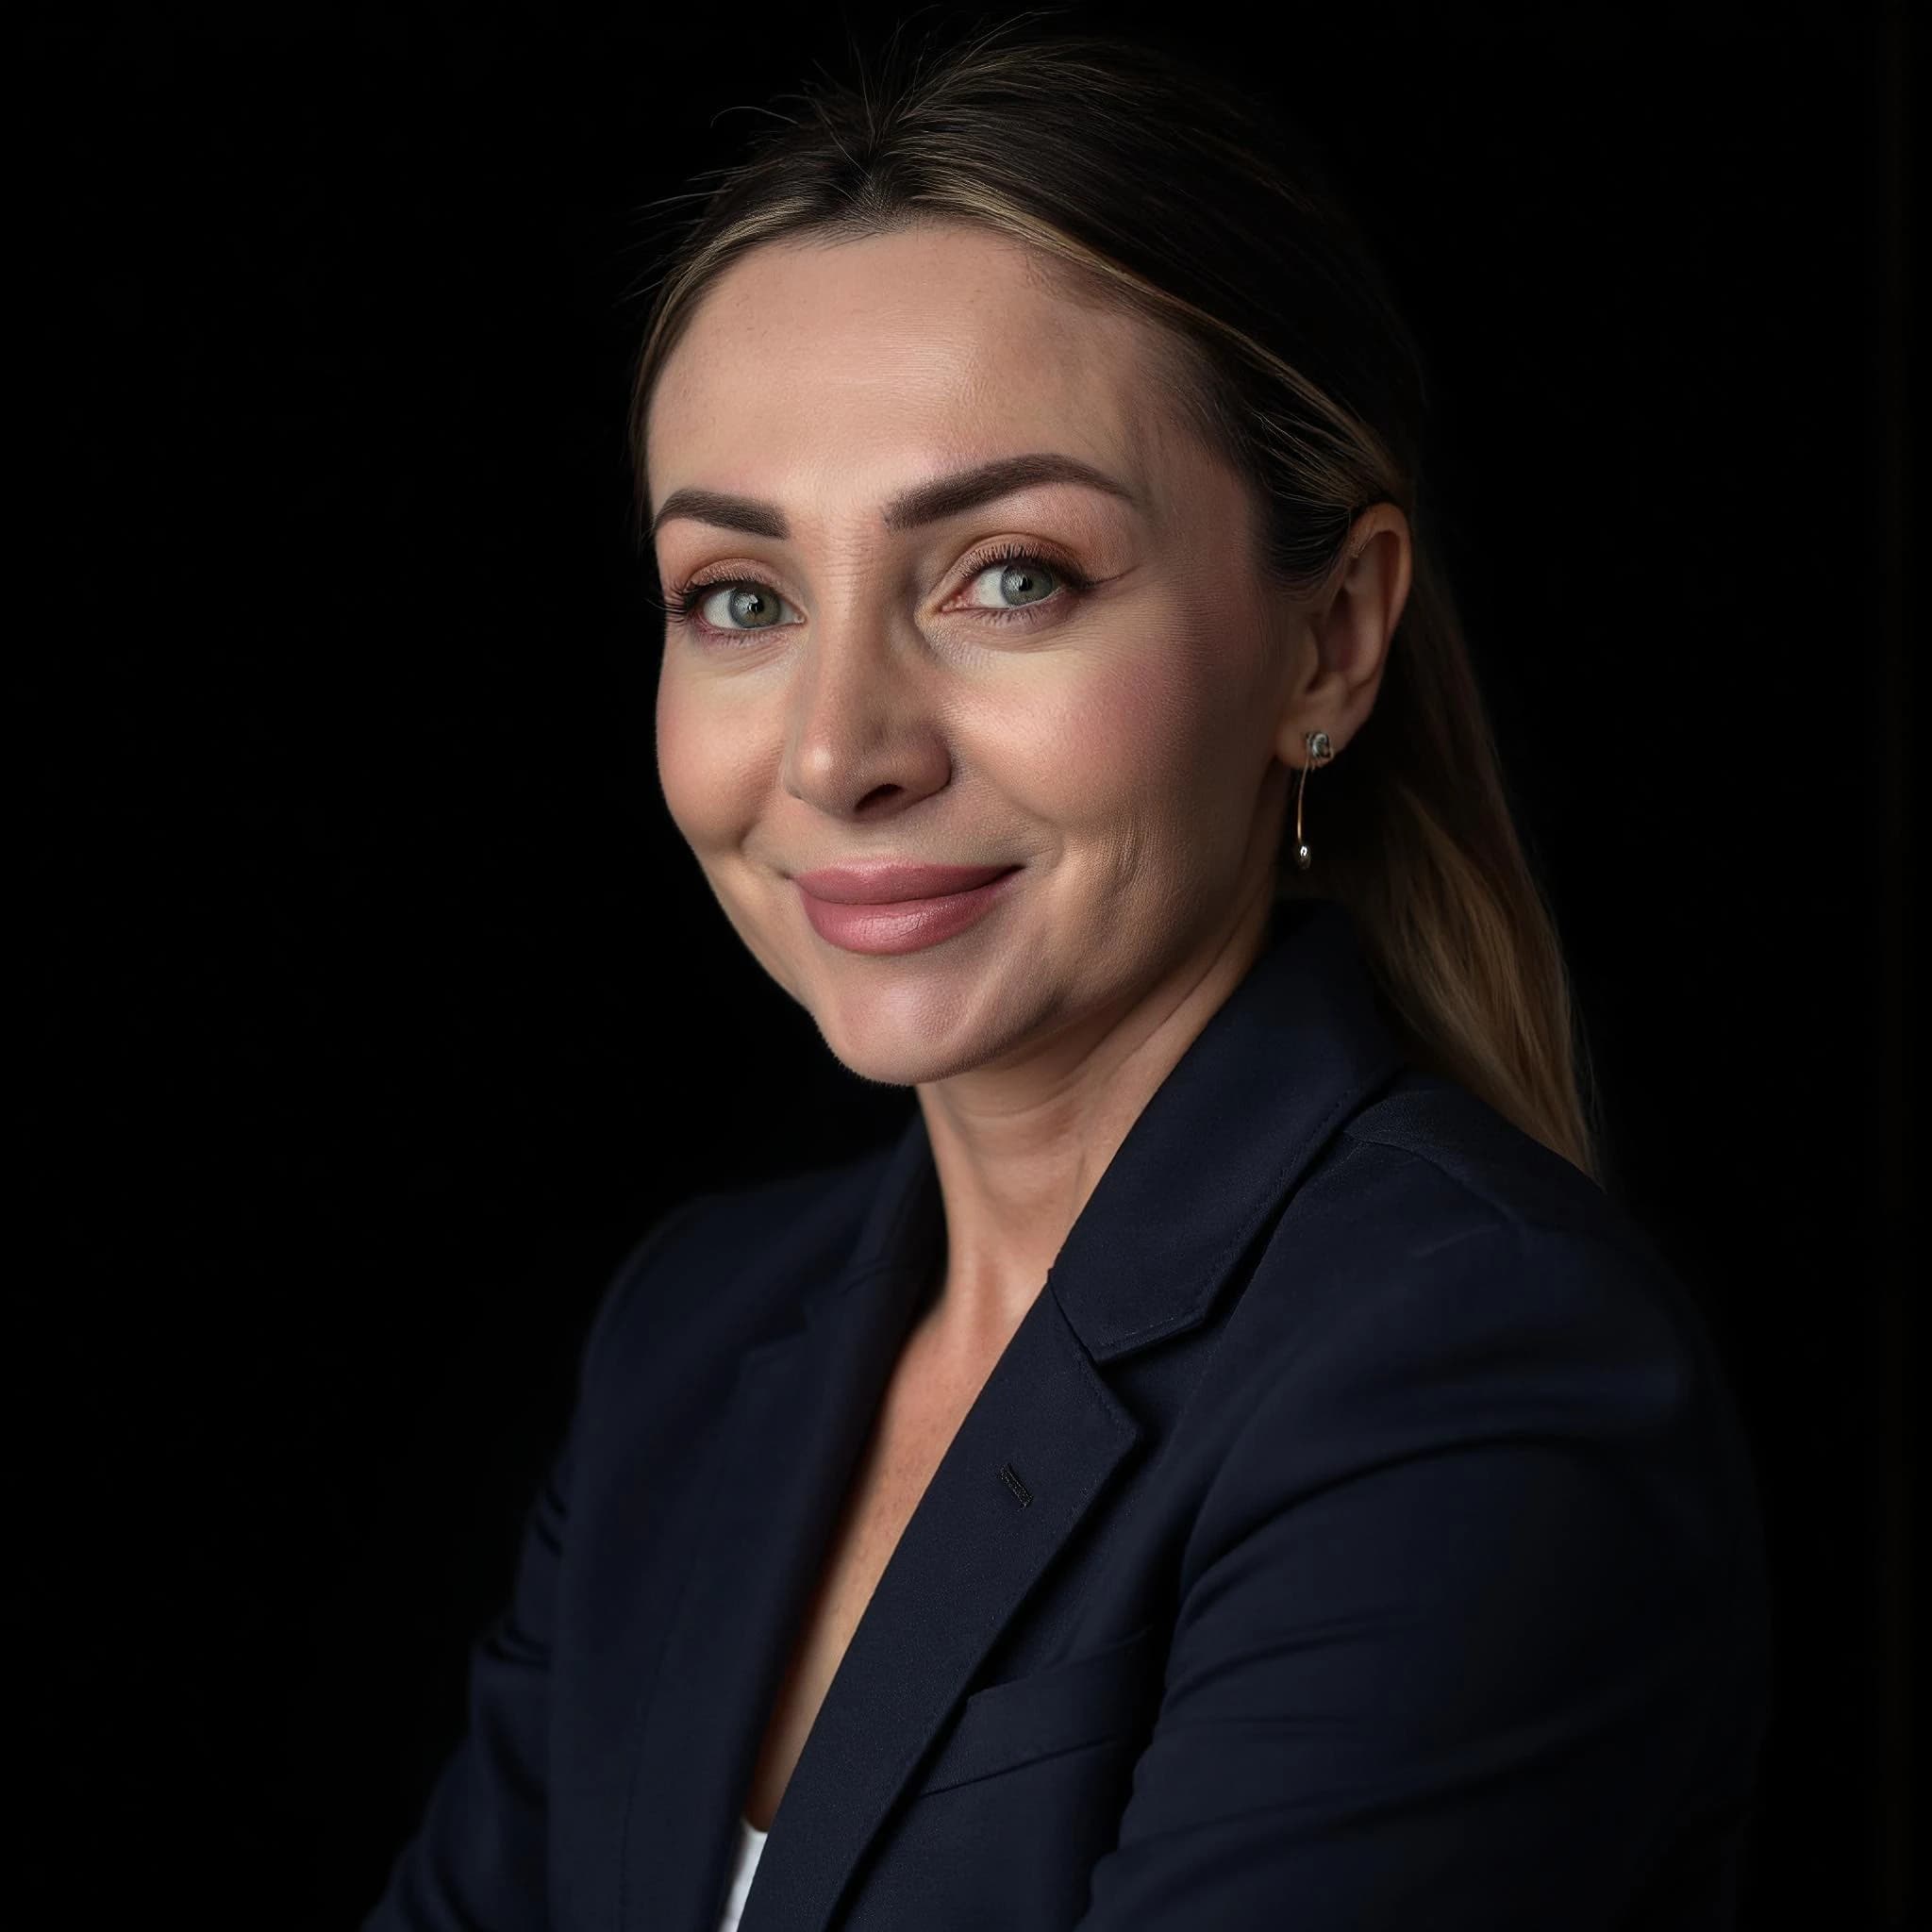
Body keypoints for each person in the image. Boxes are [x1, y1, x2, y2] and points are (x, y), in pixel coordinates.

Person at [364, 14, 1773, 1929]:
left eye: (1008, 573)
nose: (838, 747)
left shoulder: (1466, 1368)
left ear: (1330, 644)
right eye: (742, 599)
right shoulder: (696, 1336)